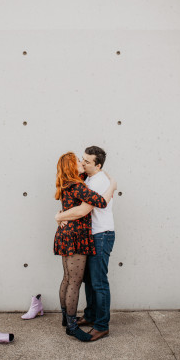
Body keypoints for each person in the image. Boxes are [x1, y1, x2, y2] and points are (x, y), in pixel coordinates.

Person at [55, 146, 116, 341]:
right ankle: (90, 316)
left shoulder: (99, 181)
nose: (83, 163)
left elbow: (83, 209)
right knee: (87, 281)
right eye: (82, 159)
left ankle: (101, 325)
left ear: (97, 165)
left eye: (87, 161)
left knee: (98, 283)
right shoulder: (84, 179)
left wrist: (113, 185)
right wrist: (60, 216)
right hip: (87, 236)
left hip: (101, 234)